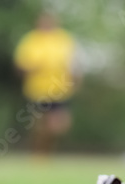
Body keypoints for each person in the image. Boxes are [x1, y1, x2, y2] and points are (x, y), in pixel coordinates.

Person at [14, 12, 78, 156]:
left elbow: (73, 64)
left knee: (58, 126)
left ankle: (47, 151)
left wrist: (75, 80)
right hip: (37, 90)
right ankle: (39, 154)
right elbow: (20, 66)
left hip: (60, 90)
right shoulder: (30, 40)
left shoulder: (64, 40)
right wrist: (32, 68)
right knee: (39, 126)